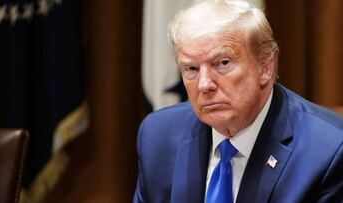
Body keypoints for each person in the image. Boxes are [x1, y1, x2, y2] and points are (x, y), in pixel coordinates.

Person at [133, 0, 343, 202]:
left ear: (265, 67)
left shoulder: (328, 151)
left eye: (223, 63)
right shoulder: (157, 136)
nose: (204, 84)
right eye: (191, 69)